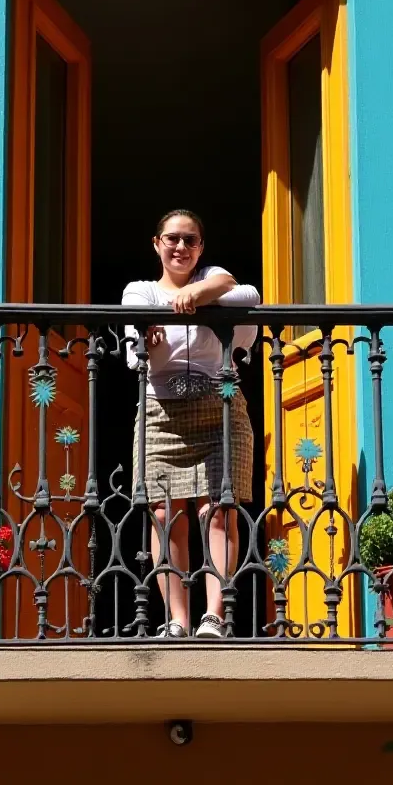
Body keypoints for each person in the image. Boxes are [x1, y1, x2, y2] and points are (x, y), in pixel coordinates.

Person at [123, 209, 259, 639]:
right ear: (156, 243)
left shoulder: (212, 277)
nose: (181, 247)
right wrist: (152, 331)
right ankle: (178, 620)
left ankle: (213, 617)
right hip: (161, 411)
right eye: (173, 239)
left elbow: (245, 293)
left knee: (216, 512)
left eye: (191, 240)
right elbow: (134, 328)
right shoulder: (139, 290)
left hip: (219, 409)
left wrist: (196, 295)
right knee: (165, 515)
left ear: (201, 247)